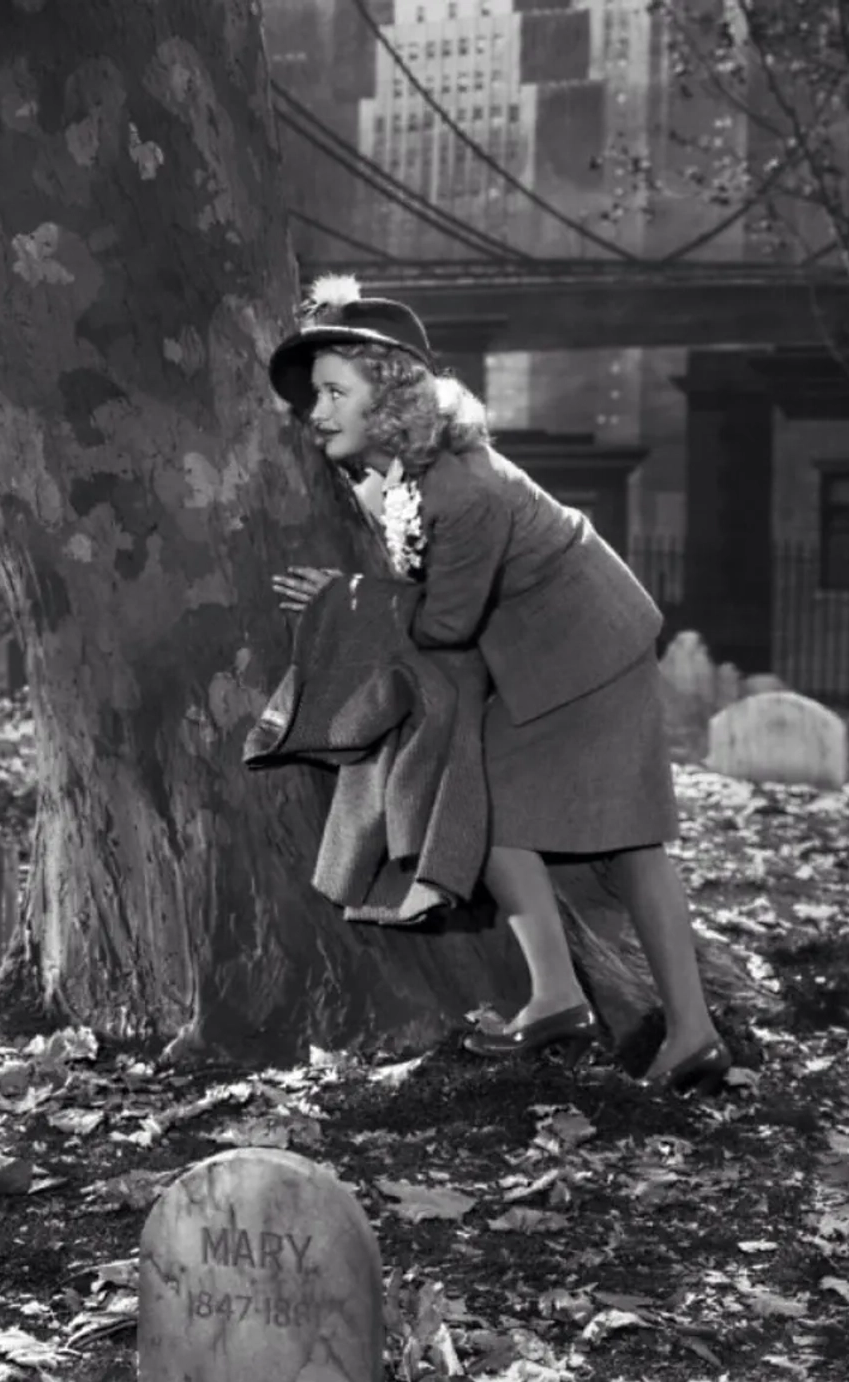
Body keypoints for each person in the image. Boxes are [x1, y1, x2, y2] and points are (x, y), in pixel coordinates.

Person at [266, 276, 731, 1095]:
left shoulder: (460, 490)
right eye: (316, 395)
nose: (318, 411)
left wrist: (351, 597)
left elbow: (445, 624)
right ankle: (563, 997)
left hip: (589, 657)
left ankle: (685, 1031)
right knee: (508, 817)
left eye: (336, 391)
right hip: (544, 659)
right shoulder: (417, 470)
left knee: (625, 840)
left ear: (393, 395)